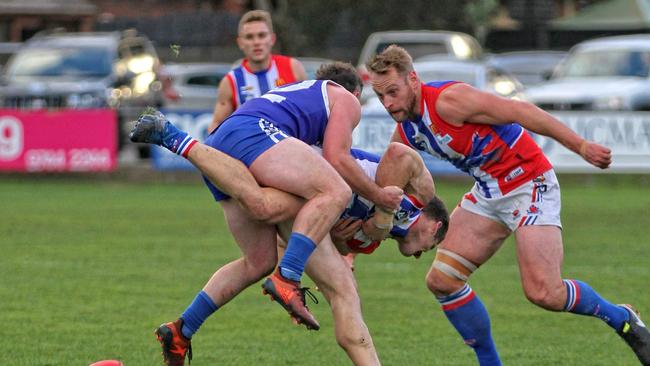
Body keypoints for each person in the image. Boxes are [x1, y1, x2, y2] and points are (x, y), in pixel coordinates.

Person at [366, 45, 650, 366]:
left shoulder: (449, 101)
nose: (389, 103)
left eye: (393, 92)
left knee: (545, 293)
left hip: (530, 183)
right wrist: (372, 230)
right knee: (442, 280)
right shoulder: (407, 129)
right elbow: (390, 183)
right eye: (381, 97)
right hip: (488, 192)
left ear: (413, 80)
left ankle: (622, 318)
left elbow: (521, 111)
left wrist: (580, 145)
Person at [131, 62, 403, 366]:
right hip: (251, 132)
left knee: (259, 257)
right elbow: (337, 158)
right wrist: (380, 198)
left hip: (223, 153)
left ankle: (182, 330)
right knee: (335, 191)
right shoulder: (348, 100)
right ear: (356, 91)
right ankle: (287, 276)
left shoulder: (303, 102)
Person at [208, 9, 306, 132]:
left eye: (262, 35)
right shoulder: (230, 81)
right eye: (249, 37)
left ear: (272, 39)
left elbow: (308, 112)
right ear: (240, 43)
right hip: (252, 149)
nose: (256, 42)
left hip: (292, 146)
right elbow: (216, 126)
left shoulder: (293, 67)